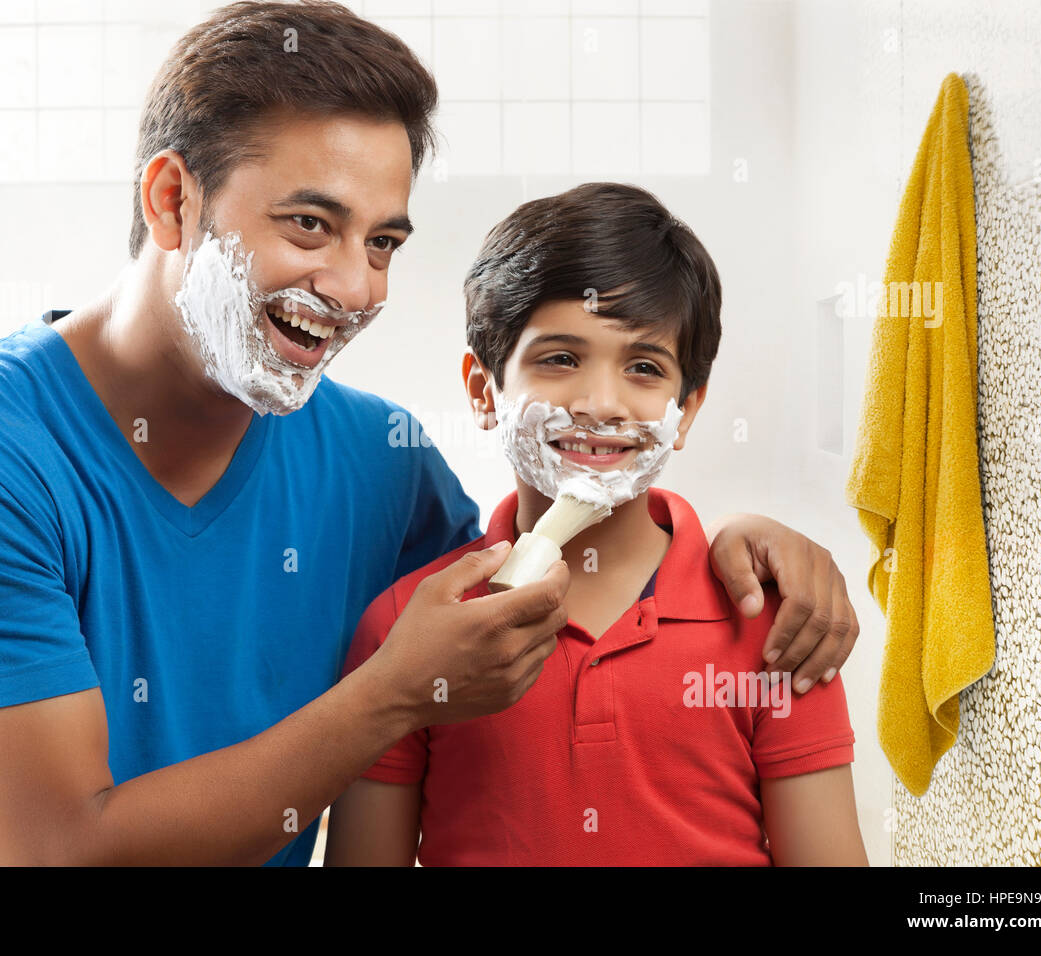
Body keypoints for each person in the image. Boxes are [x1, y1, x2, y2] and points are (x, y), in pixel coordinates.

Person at [0, 1, 859, 867]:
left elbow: (548, 555)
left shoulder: (375, 463)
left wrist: (753, 541)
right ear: (173, 198)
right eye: (309, 225)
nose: (356, 286)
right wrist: (393, 693)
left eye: (384, 241)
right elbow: (59, 850)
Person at [325, 183, 868, 866]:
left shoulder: (770, 625)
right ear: (482, 390)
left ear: (687, 410)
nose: (600, 403)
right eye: (559, 358)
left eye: (644, 368)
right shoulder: (410, 628)